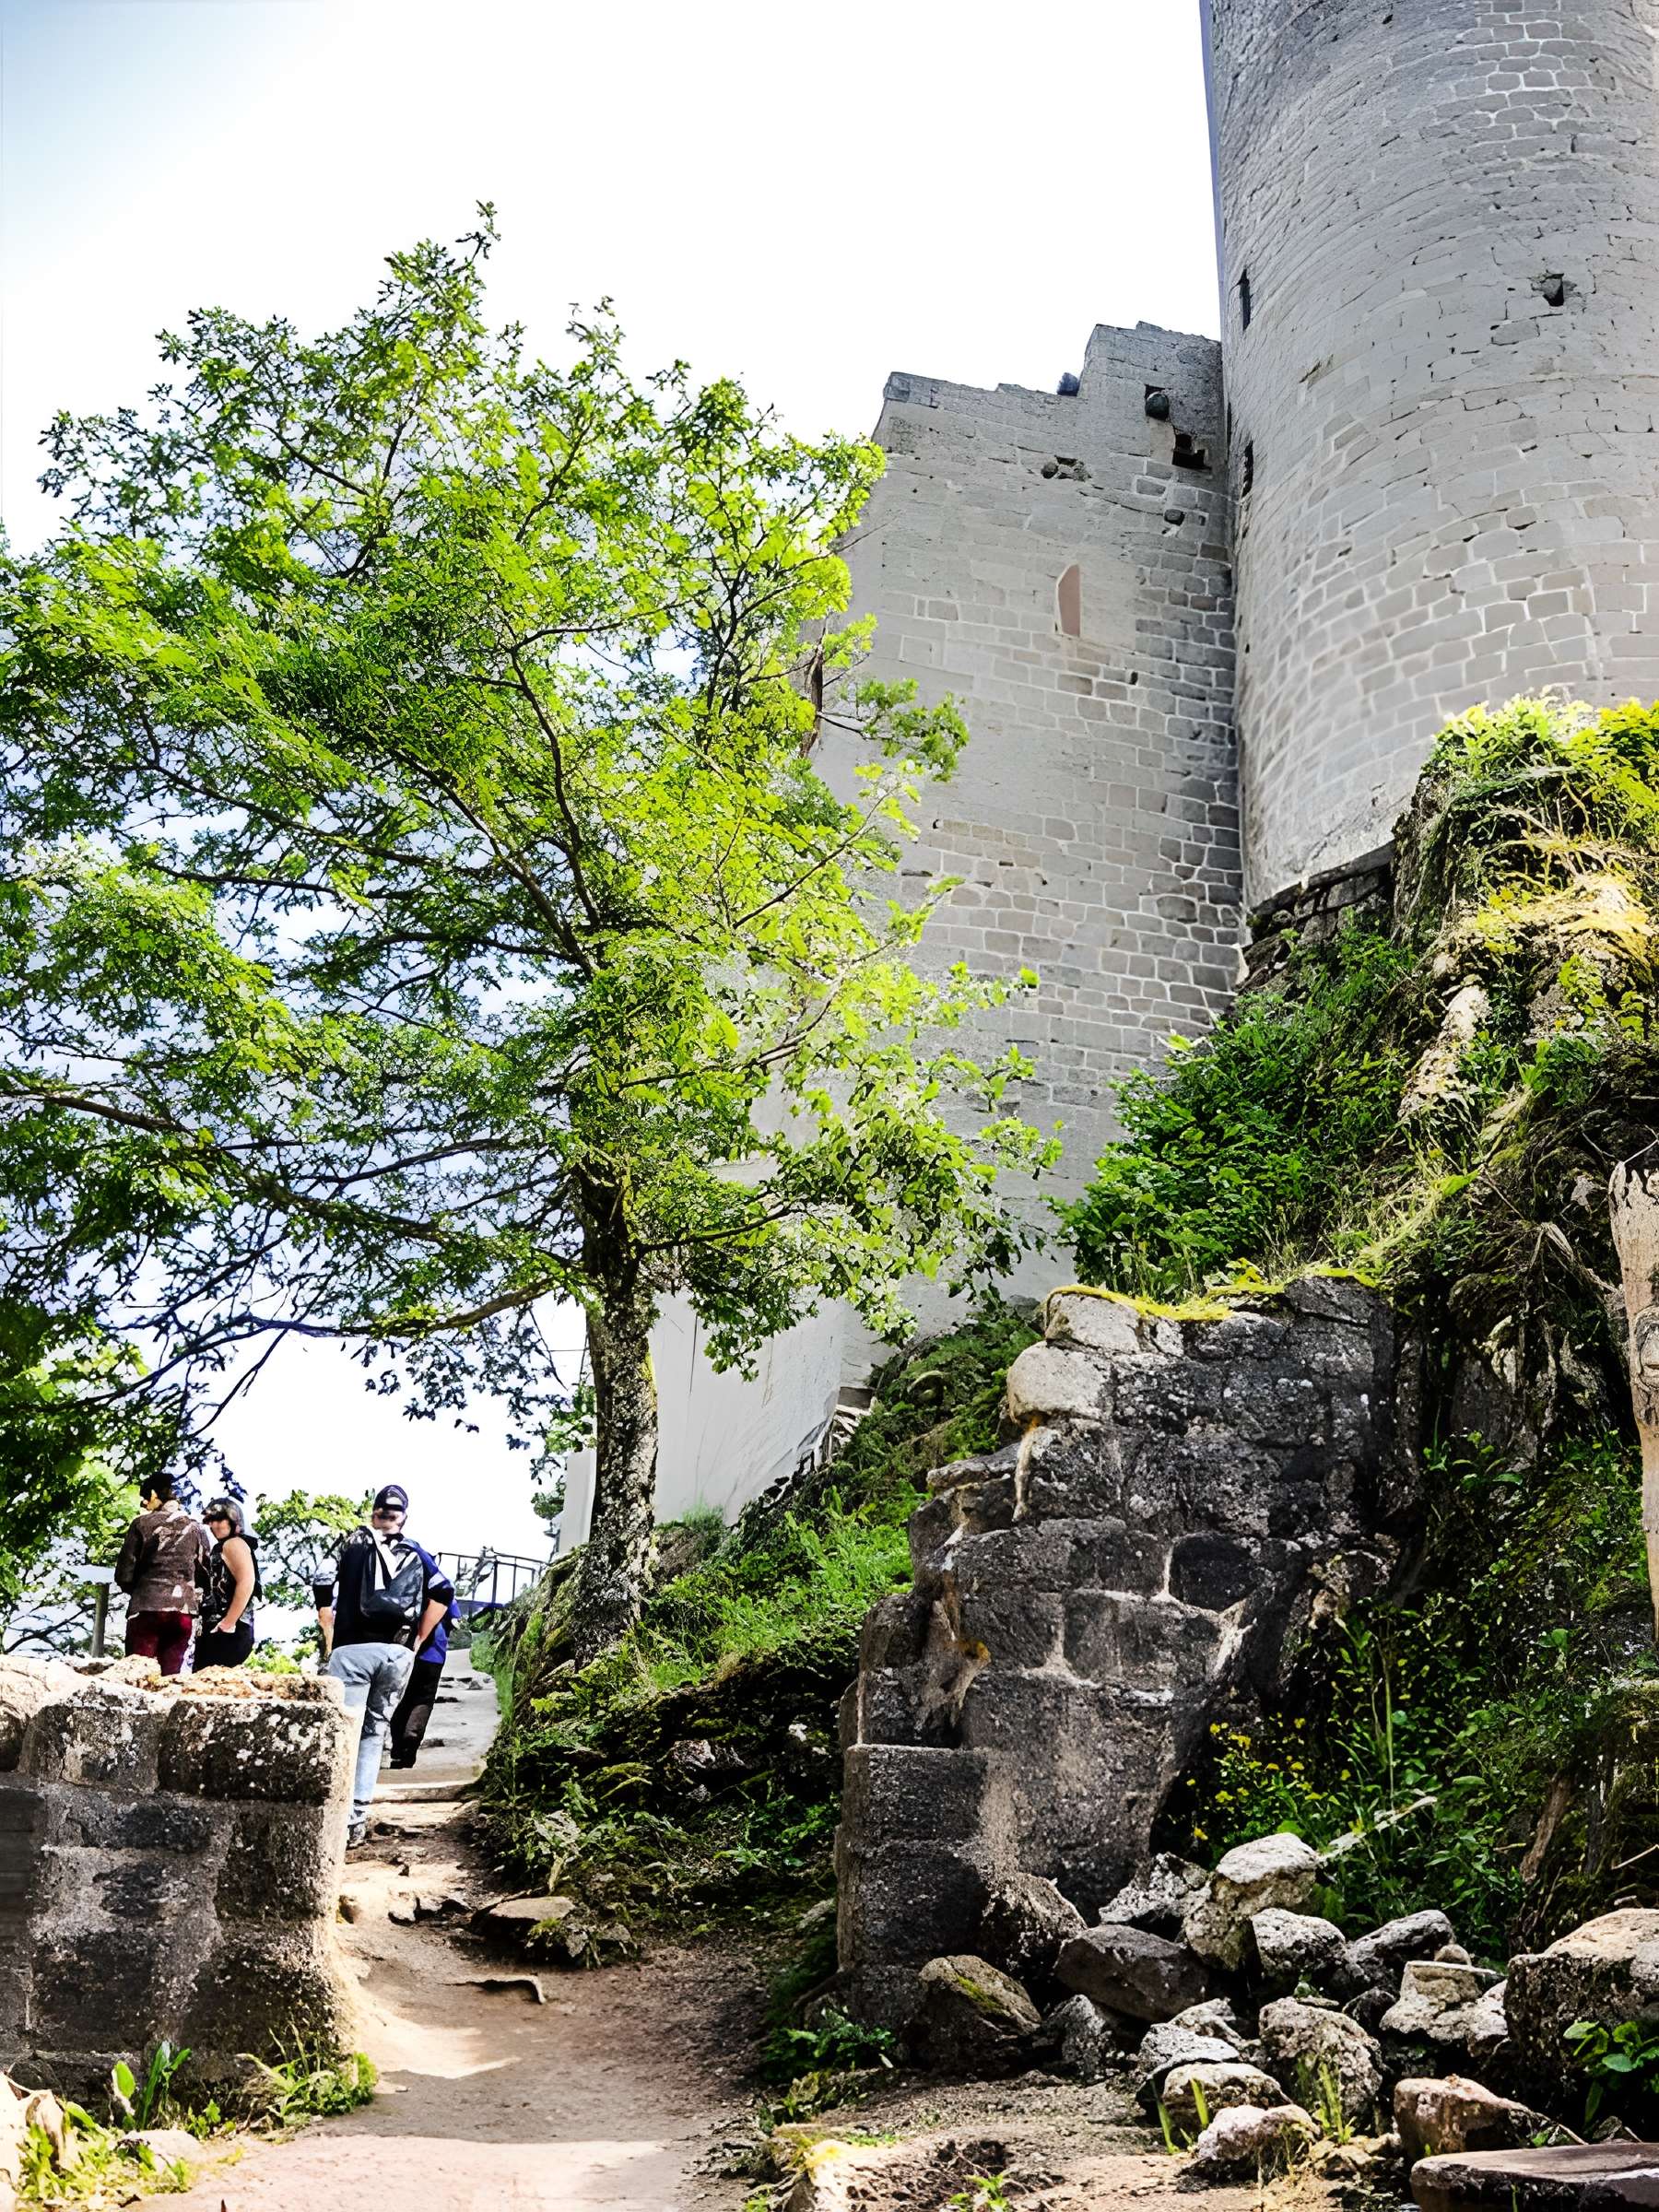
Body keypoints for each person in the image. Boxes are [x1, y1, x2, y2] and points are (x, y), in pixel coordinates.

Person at [313, 1485, 453, 1847]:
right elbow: (444, 1591)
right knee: (374, 1733)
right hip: (396, 1654)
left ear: (374, 1512)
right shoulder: (417, 1551)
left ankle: (335, 1818)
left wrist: (328, 1622)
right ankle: (357, 1820)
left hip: (353, 1650)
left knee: (346, 1731)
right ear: (402, 1517)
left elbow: (322, 1577)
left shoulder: (351, 1543)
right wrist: (419, 1638)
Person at [113, 1472, 211, 1677]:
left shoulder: (141, 1524)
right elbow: (205, 1573)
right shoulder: (196, 1528)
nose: (143, 1504)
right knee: (171, 1677)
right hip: (183, 1613)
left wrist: (140, 1590)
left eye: (144, 1498)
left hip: (146, 1608)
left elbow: (124, 1574)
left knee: (138, 1676)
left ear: (153, 1494)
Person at [387, 1581, 458, 1770]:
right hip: (433, 1653)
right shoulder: (440, 1584)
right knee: (423, 1699)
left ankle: (397, 1748)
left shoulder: (402, 1579)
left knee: (401, 1697)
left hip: (402, 1648)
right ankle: (410, 1743)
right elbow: (454, 1620)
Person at [194, 1498, 261, 1669]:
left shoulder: (234, 1543)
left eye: (219, 1519)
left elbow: (247, 1582)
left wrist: (228, 1623)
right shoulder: (226, 1545)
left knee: (206, 1687)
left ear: (233, 1520)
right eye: (210, 1521)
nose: (213, 1525)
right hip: (224, 1629)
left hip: (229, 1631)